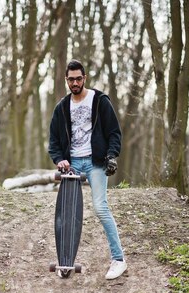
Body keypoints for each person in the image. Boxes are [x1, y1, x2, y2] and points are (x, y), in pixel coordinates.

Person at [48, 59, 127, 280]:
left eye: (78, 78)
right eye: (71, 79)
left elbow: (114, 132)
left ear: (85, 78)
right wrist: (60, 159)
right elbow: (53, 140)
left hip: (95, 162)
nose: (75, 83)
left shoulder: (100, 101)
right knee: (67, 212)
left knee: (101, 208)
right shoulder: (62, 107)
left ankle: (119, 260)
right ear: (67, 80)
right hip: (72, 163)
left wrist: (111, 156)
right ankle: (65, 264)